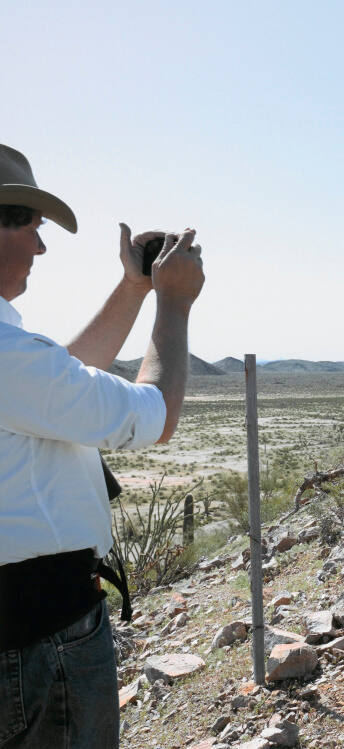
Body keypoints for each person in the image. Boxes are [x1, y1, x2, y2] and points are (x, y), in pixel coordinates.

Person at [0, 144, 205, 748]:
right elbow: (156, 413)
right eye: (30, 227)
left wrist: (134, 288)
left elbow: (55, 383)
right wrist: (174, 302)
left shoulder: (15, 362)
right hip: (41, 637)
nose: (41, 248)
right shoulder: (8, 359)